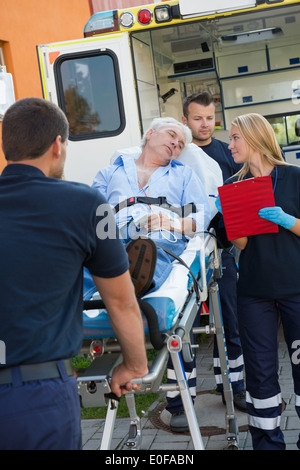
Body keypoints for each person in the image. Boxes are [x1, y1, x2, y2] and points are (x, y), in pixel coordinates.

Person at [0, 97, 148, 450]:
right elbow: (122, 302)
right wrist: (134, 366)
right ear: (57, 145)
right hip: (33, 399)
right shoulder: (85, 204)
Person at [217, 112, 300, 450]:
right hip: (254, 293)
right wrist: (237, 229)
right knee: (260, 373)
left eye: (235, 137)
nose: (230, 144)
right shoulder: (236, 188)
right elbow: (244, 247)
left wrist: (287, 219)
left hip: (297, 287)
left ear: (254, 139)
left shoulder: (294, 178)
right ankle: (267, 443)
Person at [91, 117, 211, 295]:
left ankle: (133, 285)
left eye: (180, 145)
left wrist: (172, 224)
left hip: (159, 233)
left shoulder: (184, 174)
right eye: (171, 135)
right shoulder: (109, 173)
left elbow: (202, 216)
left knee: (153, 249)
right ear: (150, 134)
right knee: (89, 255)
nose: (175, 143)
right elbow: (94, 212)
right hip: (114, 232)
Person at [181, 91, 247, 414]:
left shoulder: (226, 152)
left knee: (231, 322)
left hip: (224, 253)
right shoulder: (176, 154)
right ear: (185, 120)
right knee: (185, 326)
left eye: (209, 118)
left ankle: (233, 387)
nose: (205, 124)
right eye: (197, 118)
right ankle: (181, 399)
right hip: (185, 258)